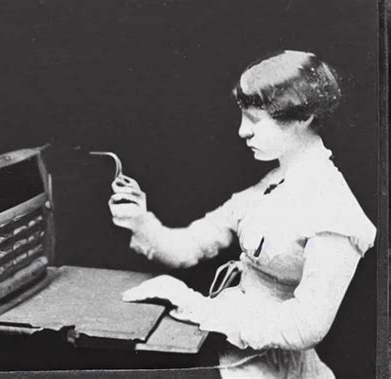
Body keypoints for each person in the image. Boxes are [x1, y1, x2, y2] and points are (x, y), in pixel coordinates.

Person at [108, 50, 376, 378]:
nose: (241, 132)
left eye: (254, 120)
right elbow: (189, 246)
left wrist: (194, 305)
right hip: (228, 355)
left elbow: (307, 327)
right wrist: (140, 218)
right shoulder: (273, 183)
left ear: (302, 117)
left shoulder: (334, 209)